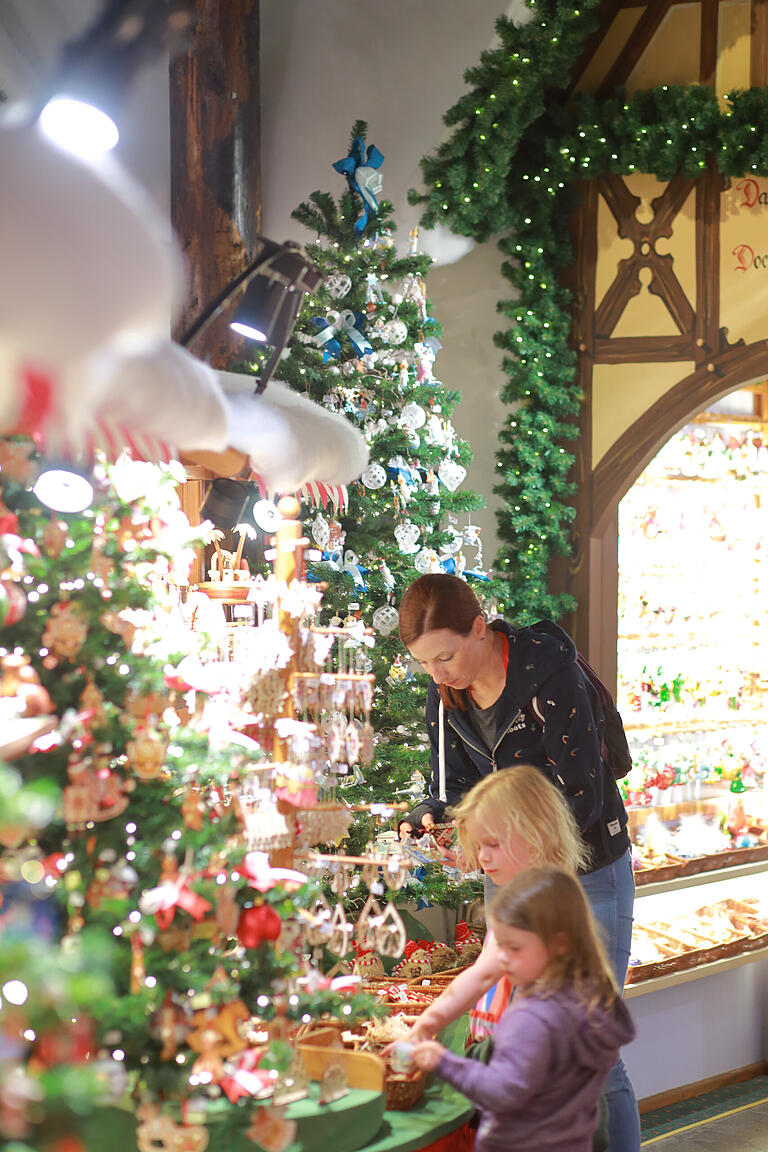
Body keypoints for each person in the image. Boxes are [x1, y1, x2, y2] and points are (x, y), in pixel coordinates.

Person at [397, 574, 640, 1152]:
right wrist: (435, 814)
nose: (439, 674)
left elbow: (581, 792)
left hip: (586, 879)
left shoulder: (547, 675)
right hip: (508, 877)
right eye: (426, 664)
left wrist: (503, 841)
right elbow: (457, 789)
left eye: (447, 656)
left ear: (480, 628)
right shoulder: (446, 695)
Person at [409, 866, 636, 1152]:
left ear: (559, 945)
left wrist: (443, 1061)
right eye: (499, 945)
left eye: (514, 948)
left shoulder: (532, 1017)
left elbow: (501, 1092)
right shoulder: (585, 996)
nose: (501, 958)